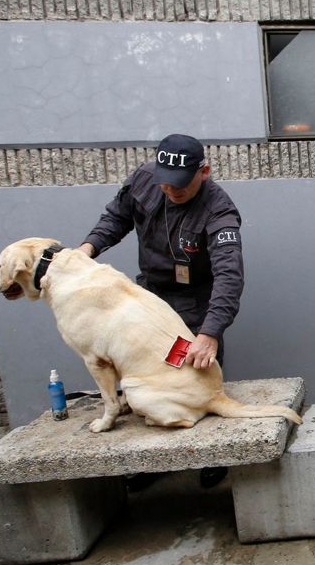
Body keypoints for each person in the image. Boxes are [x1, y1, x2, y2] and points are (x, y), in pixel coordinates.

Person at [79, 133, 243, 488]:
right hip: (148, 300)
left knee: (194, 380)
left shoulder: (219, 210)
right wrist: (87, 250)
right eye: (165, 183)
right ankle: (155, 462)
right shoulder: (144, 180)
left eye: (180, 187)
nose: (170, 191)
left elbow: (229, 276)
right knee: (147, 380)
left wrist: (209, 333)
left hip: (194, 305)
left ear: (205, 172)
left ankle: (213, 458)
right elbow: (115, 219)